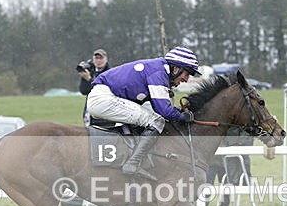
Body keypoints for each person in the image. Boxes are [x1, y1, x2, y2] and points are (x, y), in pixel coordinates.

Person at [86, 46, 199, 180]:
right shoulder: (158, 72)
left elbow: (160, 108)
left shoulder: (158, 69)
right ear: (176, 68)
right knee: (156, 121)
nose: (186, 79)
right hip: (104, 98)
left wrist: (179, 111)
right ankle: (133, 163)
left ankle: (134, 157)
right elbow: (164, 111)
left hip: (106, 97)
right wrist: (183, 116)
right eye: (186, 74)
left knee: (149, 118)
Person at [77, 48, 111, 127]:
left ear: (106, 59)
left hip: (104, 113)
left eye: (101, 58)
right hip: (90, 112)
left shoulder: (110, 73)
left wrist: (89, 80)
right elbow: (84, 91)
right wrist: (84, 77)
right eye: (96, 58)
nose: (98, 61)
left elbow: (102, 91)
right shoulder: (90, 71)